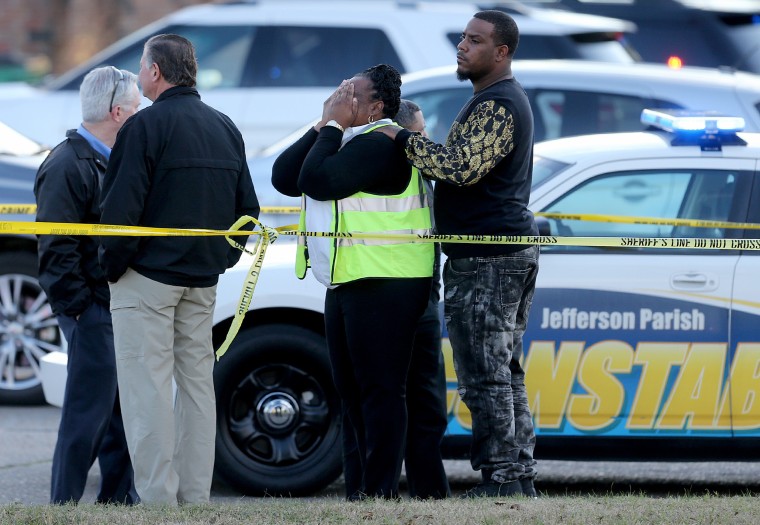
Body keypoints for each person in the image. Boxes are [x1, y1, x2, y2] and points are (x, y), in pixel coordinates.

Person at [376, 11, 540, 498]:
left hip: (490, 258)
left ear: (501, 52)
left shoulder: (499, 104)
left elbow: (460, 169)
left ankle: (503, 481)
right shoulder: (492, 100)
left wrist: (400, 138)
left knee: (485, 376)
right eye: (463, 38)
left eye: (475, 40)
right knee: (504, 371)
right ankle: (518, 476)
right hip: (496, 254)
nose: (462, 46)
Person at [99, 34, 260, 505]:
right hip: (201, 280)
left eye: (142, 66)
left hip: (146, 279)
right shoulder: (224, 126)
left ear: (155, 71)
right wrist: (221, 259)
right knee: (195, 390)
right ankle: (193, 498)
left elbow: (120, 211)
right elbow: (245, 209)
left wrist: (113, 269)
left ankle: (157, 502)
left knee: (146, 391)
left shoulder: (143, 128)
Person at [271, 65, 434, 500]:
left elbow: (318, 182)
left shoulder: (381, 144)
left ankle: (380, 493)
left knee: (380, 390)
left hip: (389, 279)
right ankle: (360, 491)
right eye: (340, 90)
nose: (342, 97)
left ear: (377, 107)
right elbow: (284, 177)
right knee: (351, 392)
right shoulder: (347, 139)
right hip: (349, 280)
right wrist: (325, 123)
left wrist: (333, 126)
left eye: (352, 93)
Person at [34, 65, 141, 505]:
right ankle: (63, 506)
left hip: (112, 302)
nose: (140, 115)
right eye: (136, 108)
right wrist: (79, 308)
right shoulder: (66, 164)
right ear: (117, 112)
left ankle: (118, 501)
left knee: (120, 411)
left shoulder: (110, 158)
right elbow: (56, 247)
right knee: (87, 413)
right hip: (91, 308)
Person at [388, 99, 450, 500]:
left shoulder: (421, 172)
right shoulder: (399, 169)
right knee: (416, 403)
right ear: (406, 133)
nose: (427, 138)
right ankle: (392, 491)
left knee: (424, 405)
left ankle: (426, 490)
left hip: (418, 296)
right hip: (402, 299)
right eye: (421, 131)